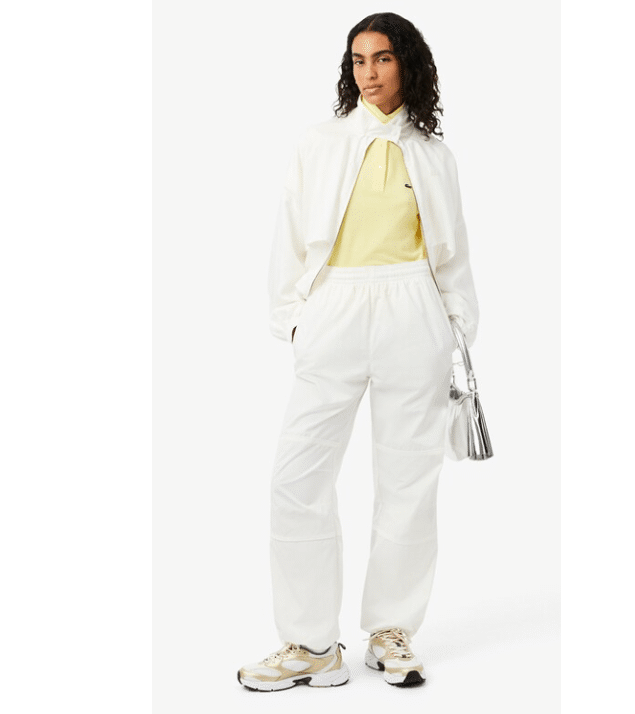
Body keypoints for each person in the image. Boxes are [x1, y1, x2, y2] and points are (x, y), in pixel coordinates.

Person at [238, 12, 479, 691]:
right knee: (297, 477)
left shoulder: (433, 154)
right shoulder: (319, 143)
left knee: (409, 479)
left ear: (408, 64)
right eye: (358, 60)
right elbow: (289, 235)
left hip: (413, 313)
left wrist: (454, 325)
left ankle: (391, 630)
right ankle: (311, 643)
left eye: (382, 58)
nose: (368, 73)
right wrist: (295, 323)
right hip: (334, 310)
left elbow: (453, 253)